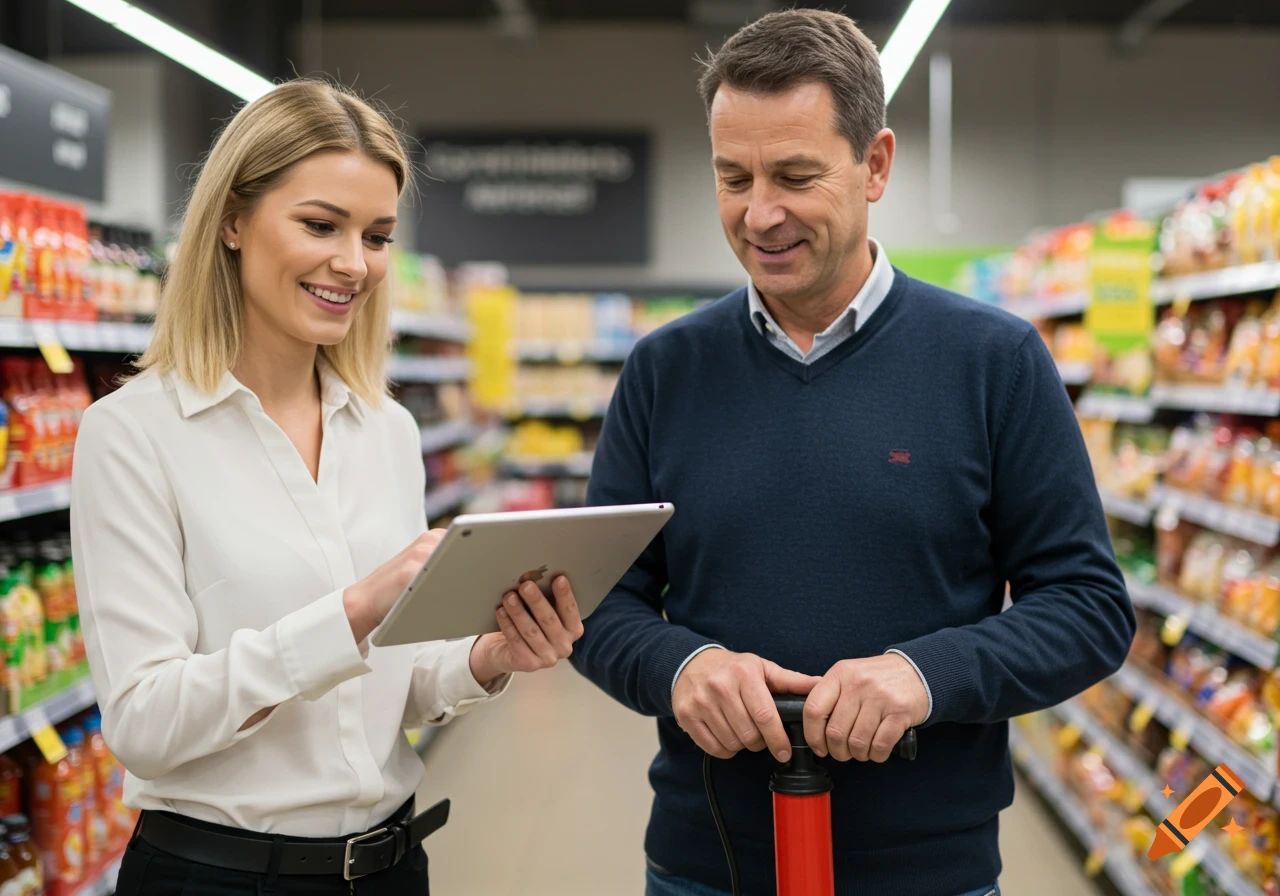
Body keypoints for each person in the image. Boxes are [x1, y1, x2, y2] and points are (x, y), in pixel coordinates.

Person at [569, 10, 1136, 896]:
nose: (760, 214)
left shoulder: (995, 361)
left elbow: (1089, 609)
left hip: (927, 869)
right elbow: (599, 607)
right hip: (706, 860)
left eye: (795, 175)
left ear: (874, 165)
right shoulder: (664, 370)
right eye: (733, 177)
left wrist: (926, 674)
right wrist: (680, 667)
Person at [70, 80, 584, 895]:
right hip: (219, 877)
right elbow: (144, 724)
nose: (354, 263)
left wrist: (490, 657)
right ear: (233, 221)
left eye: (376, 235)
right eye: (320, 225)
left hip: (390, 867)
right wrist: (352, 610)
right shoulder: (132, 435)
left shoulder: (386, 431)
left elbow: (398, 680)